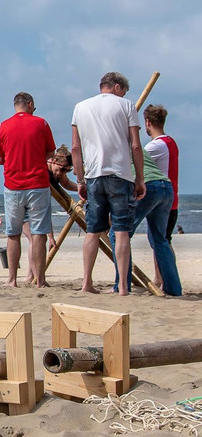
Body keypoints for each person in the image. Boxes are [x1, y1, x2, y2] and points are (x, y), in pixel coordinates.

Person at [71, 72, 146, 296]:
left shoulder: (80, 107)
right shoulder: (126, 105)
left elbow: (76, 148)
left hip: (93, 175)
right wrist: (140, 178)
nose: (124, 95)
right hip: (119, 174)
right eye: (124, 90)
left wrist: (80, 179)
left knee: (93, 231)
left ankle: (87, 283)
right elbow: (135, 146)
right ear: (116, 86)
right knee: (122, 231)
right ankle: (123, 286)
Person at [0, 92, 56, 288]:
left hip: (13, 185)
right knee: (38, 233)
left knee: (13, 233)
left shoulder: (3, 126)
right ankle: (41, 280)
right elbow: (50, 152)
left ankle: (12, 279)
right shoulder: (42, 124)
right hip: (37, 183)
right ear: (29, 104)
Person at [111, 148, 182, 296]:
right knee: (160, 240)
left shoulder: (111, 144)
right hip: (165, 186)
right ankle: (174, 289)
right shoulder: (134, 145)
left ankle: (122, 285)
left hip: (148, 186)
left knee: (118, 234)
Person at [142, 104, 179, 289]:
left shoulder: (156, 145)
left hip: (162, 201)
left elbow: (137, 160)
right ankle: (160, 278)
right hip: (172, 199)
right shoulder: (171, 142)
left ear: (148, 122)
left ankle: (164, 279)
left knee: (160, 241)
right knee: (161, 241)